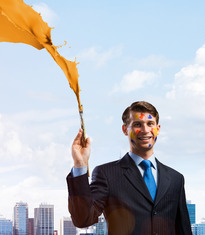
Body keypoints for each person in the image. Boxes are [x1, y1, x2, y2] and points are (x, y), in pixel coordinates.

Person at [66, 101, 192, 235]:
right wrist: (80, 165)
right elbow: (82, 219)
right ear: (125, 129)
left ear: (158, 128)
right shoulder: (107, 174)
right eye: (137, 124)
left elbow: (184, 229)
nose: (145, 130)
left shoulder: (175, 178)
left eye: (150, 124)